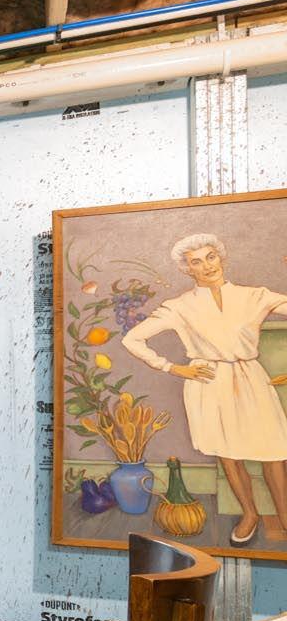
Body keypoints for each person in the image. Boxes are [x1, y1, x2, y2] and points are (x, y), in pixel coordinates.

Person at [120, 232, 287, 544]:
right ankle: (249, 513)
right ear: (187, 269)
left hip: (250, 376)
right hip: (209, 383)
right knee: (228, 454)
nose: (207, 266)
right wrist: (173, 367)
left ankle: (285, 516)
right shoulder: (180, 306)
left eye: (211, 257)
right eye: (197, 262)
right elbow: (132, 339)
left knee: (275, 452)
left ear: (220, 258)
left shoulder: (254, 296)